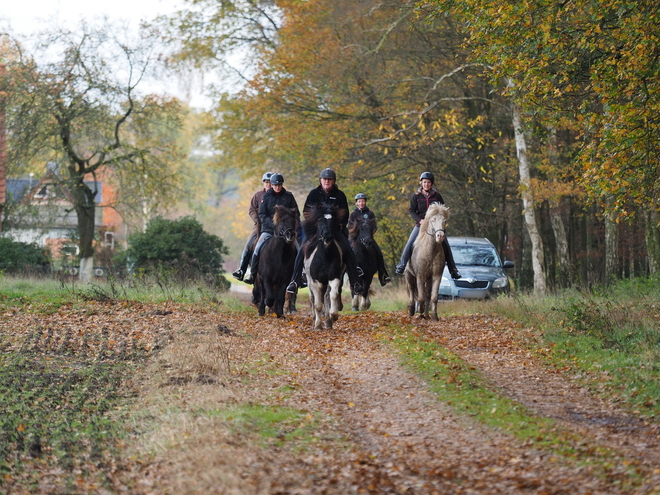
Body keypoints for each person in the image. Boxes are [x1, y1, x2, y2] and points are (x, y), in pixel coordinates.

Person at [286, 168, 364, 295]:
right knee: (302, 249)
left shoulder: (340, 195)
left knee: (348, 248)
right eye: (324, 179)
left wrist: (334, 225)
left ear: (333, 181)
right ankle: (295, 281)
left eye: (329, 179)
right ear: (320, 180)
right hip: (316, 231)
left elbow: (345, 215)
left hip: (334, 230)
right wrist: (317, 225)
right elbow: (306, 212)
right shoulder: (313, 194)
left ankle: (355, 282)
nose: (327, 181)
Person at [395, 171, 461, 279]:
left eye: (429, 182)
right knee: (410, 242)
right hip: (421, 225)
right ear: (421, 183)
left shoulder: (437, 196)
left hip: (436, 226)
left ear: (431, 184)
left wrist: (441, 221)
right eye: (424, 182)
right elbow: (411, 210)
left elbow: (443, 209)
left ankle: (453, 270)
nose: (426, 184)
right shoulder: (416, 196)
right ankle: (401, 265)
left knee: (446, 245)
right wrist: (419, 220)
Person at [243, 173, 301, 284]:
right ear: (272, 185)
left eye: (279, 185)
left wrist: (291, 225)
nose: (277, 187)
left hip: (287, 231)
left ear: (282, 185)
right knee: (257, 247)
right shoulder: (266, 197)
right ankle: (252, 273)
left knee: (299, 249)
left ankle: (300, 275)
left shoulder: (289, 196)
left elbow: (296, 213)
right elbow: (262, 214)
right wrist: (273, 225)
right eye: (275, 185)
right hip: (269, 230)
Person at [232, 172, 272, 281]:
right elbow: (251, 210)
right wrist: (257, 220)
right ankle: (242, 270)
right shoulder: (258, 195)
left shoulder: (277, 195)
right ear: (264, 183)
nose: (268, 184)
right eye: (266, 182)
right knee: (249, 244)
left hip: (276, 226)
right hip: (259, 225)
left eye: (270, 182)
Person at [347, 193, 391, 286]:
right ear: (356, 203)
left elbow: (374, 227)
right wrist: (356, 235)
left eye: (363, 201)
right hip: (355, 238)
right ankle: (344, 271)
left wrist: (369, 235)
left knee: (378, 252)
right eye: (359, 201)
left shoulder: (370, 213)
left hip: (368, 238)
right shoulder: (353, 214)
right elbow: (350, 227)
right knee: (346, 252)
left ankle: (383, 274)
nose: (361, 203)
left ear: (365, 202)